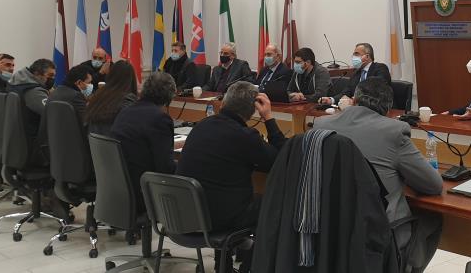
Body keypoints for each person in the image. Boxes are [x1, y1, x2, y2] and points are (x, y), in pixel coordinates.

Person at [313, 78, 443, 272]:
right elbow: (433, 185)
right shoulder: (394, 131)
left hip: (329, 228)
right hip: (376, 234)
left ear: (354, 100)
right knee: (433, 217)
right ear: (388, 110)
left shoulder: (321, 124)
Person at [176, 82, 286, 272]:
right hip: (216, 219)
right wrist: (268, 118)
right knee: (274, 203)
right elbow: (281, 160)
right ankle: (248, 266)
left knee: (223, 192)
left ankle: (224, 265)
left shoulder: (202, 125)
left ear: (224, 103)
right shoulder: (245, 136)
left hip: (184, 214)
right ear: (252, 111)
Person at [110, 72, 177, 210]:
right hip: (143, 191)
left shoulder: (125, 112)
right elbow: (165, 168)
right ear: (169, 98)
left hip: (118, 188)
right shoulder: (160, 119)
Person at [8, 58, 56, 165]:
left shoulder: (17, 82)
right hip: (33, 142)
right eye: (50, 75)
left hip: (19, 139)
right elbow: (52, 114)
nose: (52, 79)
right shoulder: (34, 92)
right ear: (37, 74)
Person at [321, 42, 391, 105]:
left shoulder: (380, 68)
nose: (354, 57)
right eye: (354, 55)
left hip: (379, 108)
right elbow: (347, 92)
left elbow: (377, 88)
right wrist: (331, 100)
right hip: (358, 109)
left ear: (367, 56)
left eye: (357, 54)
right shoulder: (356, 73)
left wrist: (357, 99)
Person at [85, 61, 138, 136]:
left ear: (110, 76)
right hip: (114, 142)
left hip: (93, 142)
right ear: (131, 80)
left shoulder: (98, 95)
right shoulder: (128, 101)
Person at [46, 64, 93, 129]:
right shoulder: (76, 96)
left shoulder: (56, 91)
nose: (90, 85)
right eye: (89, 82)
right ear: (79, 82)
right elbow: (86, 122)